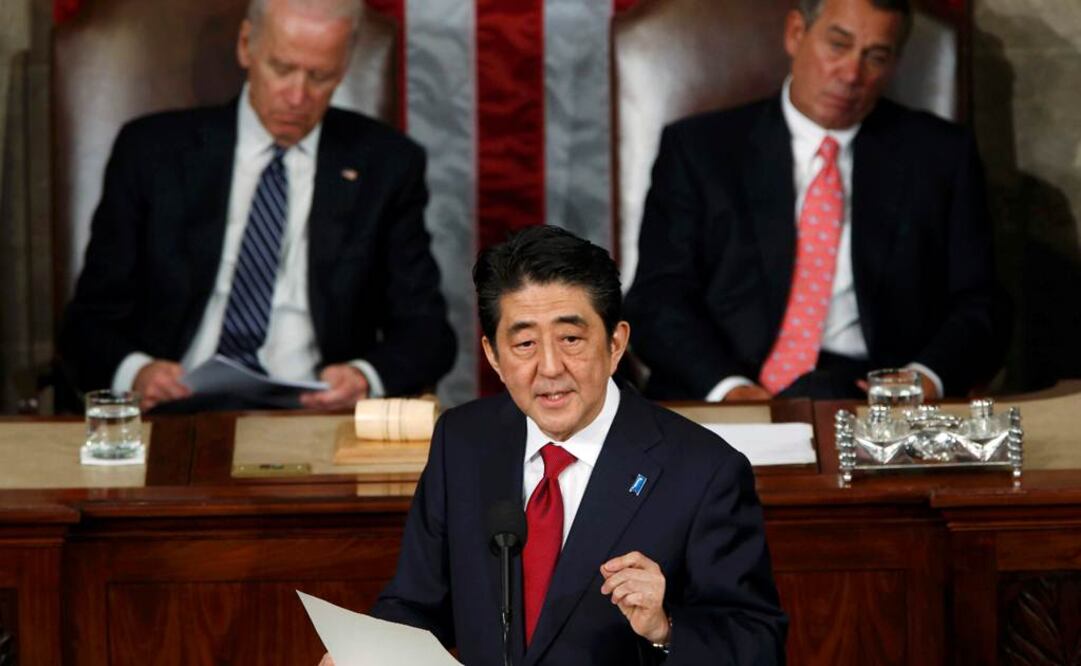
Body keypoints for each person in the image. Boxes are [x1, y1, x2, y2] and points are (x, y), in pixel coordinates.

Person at [321, 226, 786, 665]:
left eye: (570, 338)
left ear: (616, 342)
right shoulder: (462, 442)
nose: (549, 367)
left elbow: (757, 644)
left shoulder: (703, 471)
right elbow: (415, 603)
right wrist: (365, 653)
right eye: (524, 343)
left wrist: (664, 628)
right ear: (492, 356)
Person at [59, 0, 455, 412]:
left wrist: (363, 377)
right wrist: (137, 372)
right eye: (282, 69)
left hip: (315, 416)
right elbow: (86, 325)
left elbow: (427, 333)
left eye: (320, 76)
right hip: (174, 413)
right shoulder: (152, 153)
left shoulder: (386, 165)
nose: (298, 96)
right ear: (247, 46)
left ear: (344, 65)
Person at [625, 0, 1007, 402]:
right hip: (726, 387)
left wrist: (923, 379)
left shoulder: (940, 156)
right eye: (838, 46)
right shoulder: (700, 150)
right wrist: (731, 391)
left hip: (871, 397)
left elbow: (981, 304)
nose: (851, 74)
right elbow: (657, 299)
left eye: (875, 57)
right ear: (795, 33)